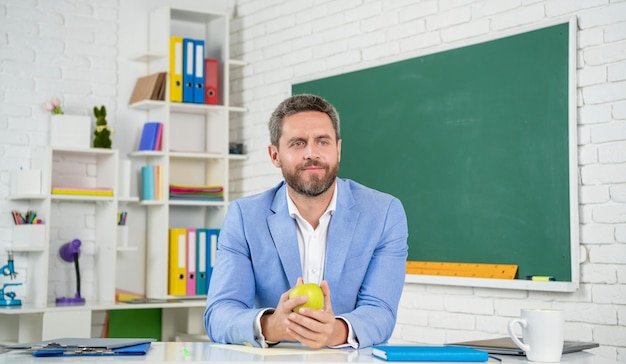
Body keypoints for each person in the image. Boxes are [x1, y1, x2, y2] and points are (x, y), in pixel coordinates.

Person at [204, 94, 408, 349]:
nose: (312, 153)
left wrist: (334, 331)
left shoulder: (384, 213)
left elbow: (381, 311)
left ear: (338, 149)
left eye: (323, 142)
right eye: (298, 143)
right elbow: (219, 314)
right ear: (275, 155)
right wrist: (273, 326)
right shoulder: (244, 217)